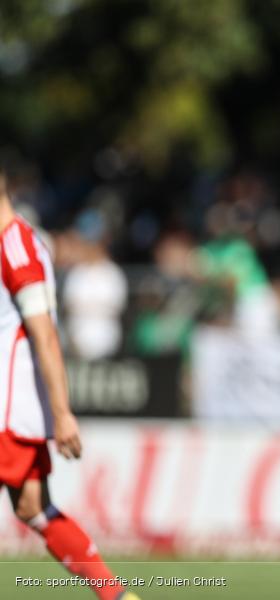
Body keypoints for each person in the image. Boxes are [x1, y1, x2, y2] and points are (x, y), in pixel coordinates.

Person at [0, 165, 139, 600]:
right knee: (32, 506)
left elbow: (44, 334)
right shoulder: (18, 241)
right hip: (14, 406)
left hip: (6, 406)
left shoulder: (16, 247)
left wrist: (62, 413)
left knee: (34, 505)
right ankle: (116, 596)